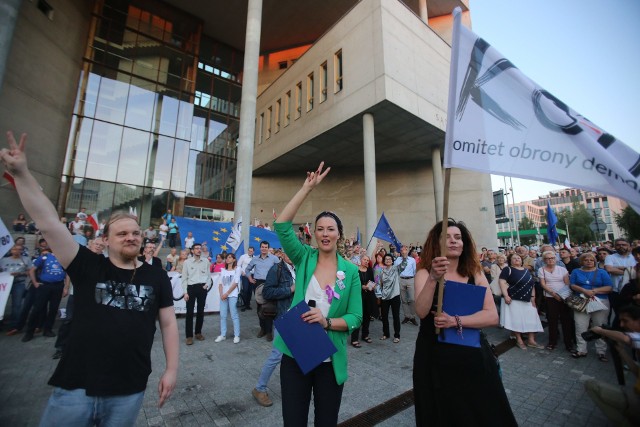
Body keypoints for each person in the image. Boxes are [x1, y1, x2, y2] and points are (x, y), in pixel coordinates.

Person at [1, 131, 178, 425]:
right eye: (121, 233)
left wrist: (171, 369)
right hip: (75, 388)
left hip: (129, 389)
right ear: (105, 240)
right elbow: (47, 221)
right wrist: (22, 174)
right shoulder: (86, 265)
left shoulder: (156, 275)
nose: (131, 237)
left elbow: (169, 323)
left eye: (135, 232)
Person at [273, 162, 362, 426]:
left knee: (326, 421)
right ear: (314, 234)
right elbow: (281, 225)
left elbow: (355, 316)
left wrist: (326, 322)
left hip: (330, 359)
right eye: (320, 228)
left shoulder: (351, 271)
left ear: (339, 235)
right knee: (294, 420)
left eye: (330, 229)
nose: (325, 233)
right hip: (296, 353)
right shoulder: (304, 257)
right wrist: (306, 188)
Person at [413, 219, 516, 426]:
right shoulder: (424, 273)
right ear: (437, 243)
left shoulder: (475, 273)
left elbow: (492, 316)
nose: (454, 241)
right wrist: (433, 278)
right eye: (447, 237)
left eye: (458, 237)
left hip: (471, 354)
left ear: (464, 243)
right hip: (434, 357)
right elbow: (421, 312)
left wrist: (455, 321)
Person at [252, 250, 296, 407]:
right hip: (283, 317)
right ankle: (259, 388)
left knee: (297, 356)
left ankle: (296, 388)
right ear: (283, 254)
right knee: (277, 355)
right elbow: (267, 292)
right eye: (289, 251)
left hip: (299, 318)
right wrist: (290, 289)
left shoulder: (300, 268)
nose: (293, 253)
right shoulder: (276, 269)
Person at [584, 305, 640, 426]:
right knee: (591, 385)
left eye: (626, 321)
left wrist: (601, 331)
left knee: (593, 386)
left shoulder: (636, 338)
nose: (622, 325)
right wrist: (621, 351)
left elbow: (626, 339)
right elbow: (637, 372)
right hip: (635, 396)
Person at [570, 252, 613, 360]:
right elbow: (572, 285)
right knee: (580, 325)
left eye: (591, 260)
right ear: (581, 261)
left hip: (600, 301)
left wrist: (594, 291)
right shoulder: (576, 271)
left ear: (595, 261)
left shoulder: (602, 272)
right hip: (581, 301)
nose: (589, 262)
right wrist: (584, 290)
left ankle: (601, 351)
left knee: (600, 325)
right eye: (586, 260)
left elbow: (609, 287)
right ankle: (581, 349)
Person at [498, 253, 544, 350]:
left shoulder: (527, 271)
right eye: (514, 258)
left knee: (532, 319)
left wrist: (533, 297)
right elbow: (501, 282)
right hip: (513, 298)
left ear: (522, 260)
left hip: (527, 298)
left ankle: (531, 340)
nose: (517, 259)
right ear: (510, 261)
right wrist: (506, 296)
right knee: (516, 320)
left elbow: (531, 285)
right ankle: (519, 340)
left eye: (518, 258)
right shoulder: (508, 269)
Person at [538, 250, 573, 352]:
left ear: (555, 259)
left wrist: (561, 295)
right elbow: (543, 284)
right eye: (548, 258)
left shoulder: (562, 269)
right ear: (544, 260)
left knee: (566, 320)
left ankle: (568, 343)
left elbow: (567, 283)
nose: (550, 260)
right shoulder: (542, 270)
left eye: (552, 258)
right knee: (552, 320)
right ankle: (552, 342)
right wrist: (553, 294)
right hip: (550, 297)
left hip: (564, 297)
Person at [245, 241, 279, 341]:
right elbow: (247, 270)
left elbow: (280, 269)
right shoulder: (255, 259)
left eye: (266, 247)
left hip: (270, 284)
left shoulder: (274, 258)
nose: (264, 248)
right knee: (260, 308)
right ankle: (262, 329)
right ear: (260, 248)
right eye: (262, 247)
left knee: (269, 308)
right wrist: (250, 279)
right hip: (258, 284)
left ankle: (269, 332)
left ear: (268, 248)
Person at [181, 242, 212, 345]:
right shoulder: (187, 262)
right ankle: (189, 336)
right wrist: (185, 292)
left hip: (202, 288)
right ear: (192, 251)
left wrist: (206, 285)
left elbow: (209, 276)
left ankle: (198, 332)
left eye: (200, 248)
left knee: (200, 311)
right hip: (191, 288)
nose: (199, 250)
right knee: (189, 313)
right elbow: (184, 278)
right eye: (196, 248)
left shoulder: (206, 261)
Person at [0, 244, 32, 330]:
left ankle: (14, 325)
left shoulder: (26, 260)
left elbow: (30, 272)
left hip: (19, 283)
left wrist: (20, 274)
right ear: (11, 251)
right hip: (5, 285)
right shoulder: (3, 260)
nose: (16, 251)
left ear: (22, 251)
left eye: (19, 249)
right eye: (14, 249)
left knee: (17, 304)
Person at [350, 255, 375, 347]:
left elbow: (372, 281)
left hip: (368, 296)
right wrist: (361, 287)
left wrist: (371, 286)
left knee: (367, 316)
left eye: (367, 260)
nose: (366, 261)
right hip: (358, 296)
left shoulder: (369, 270)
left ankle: (365, 335)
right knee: (357, 316)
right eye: (364, 259)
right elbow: (352, 283)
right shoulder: (355, 270)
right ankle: (354, 339)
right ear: (360, 260)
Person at [215, 253, 241, 343]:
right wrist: (221, 294)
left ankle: (237, 335)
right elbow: (220, 283)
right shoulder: (223, 270)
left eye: (230, 257)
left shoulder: (237, 269)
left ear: (234, 259)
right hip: (224, 296)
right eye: (227, 257)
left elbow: (235, 283)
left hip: (232, 294)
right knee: (223, 315)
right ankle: (223, 334)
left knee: (234, 314)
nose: (228, 259)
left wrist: (227, 293)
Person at [380, 253, 402, 342]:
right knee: (384, 316)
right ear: (384, 261)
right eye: (386, 259)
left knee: (396, 316)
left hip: (395, 295)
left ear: (392, 260)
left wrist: (404, 255)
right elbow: (380, 283)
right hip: (385, 296)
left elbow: (404, 265)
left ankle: (397, 336)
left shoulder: (396, 269)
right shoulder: (381, 271)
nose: (388, 260)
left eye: (389, 259)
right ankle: (386, 334)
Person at [395, 245, 418, 326]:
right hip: (401, 279)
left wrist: (415, 281)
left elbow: (415, 271)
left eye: (405, 250)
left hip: (410, 279)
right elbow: (396, 269)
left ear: (408, 251)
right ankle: (407, 316)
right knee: (404, 299)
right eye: (402, 250)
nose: (403, 251)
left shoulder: (412, 260)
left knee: (412, 299)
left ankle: (413, 316)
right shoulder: (397, 260)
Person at [238, 246, 255, 312]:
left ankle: (248, 304)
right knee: (245, 290)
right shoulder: (243, 256)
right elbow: (238, 265)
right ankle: (244, 304)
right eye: (249, 251)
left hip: (252, 275)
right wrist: (242, 272)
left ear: (253, 252)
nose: (250, 252)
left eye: (251, 251)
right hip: (245, 275)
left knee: (250, 291)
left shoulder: (255, 258)